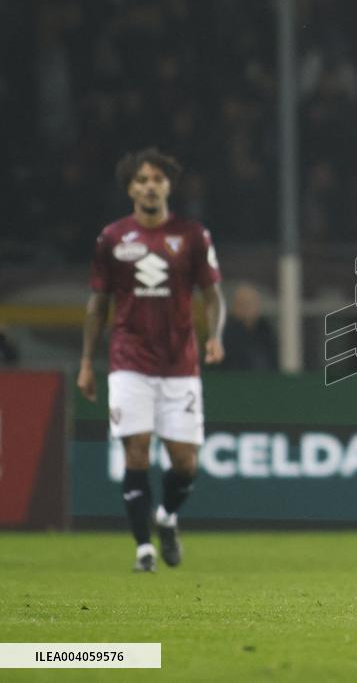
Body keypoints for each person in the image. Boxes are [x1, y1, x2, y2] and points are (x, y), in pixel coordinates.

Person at [77, 147, 225, 572]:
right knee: (136, 453)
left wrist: (214, 336)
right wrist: (88, 362)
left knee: (185, 462)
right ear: (129, 188)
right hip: (129, 361)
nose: (149, 186)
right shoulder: (111, 238)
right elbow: (97, 304)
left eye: (156, 179)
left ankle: (167, 517)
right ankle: (143, 549)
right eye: (141, 180)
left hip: (180, 362)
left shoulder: (193, 235)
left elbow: (212, 295)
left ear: (168, 186)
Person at [222, 282, 278, 371]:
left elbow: (273, 360)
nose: (248, 308)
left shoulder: (265, 330)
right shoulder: (225, 333)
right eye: (243, 304)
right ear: (235, 307)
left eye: (252, 303)